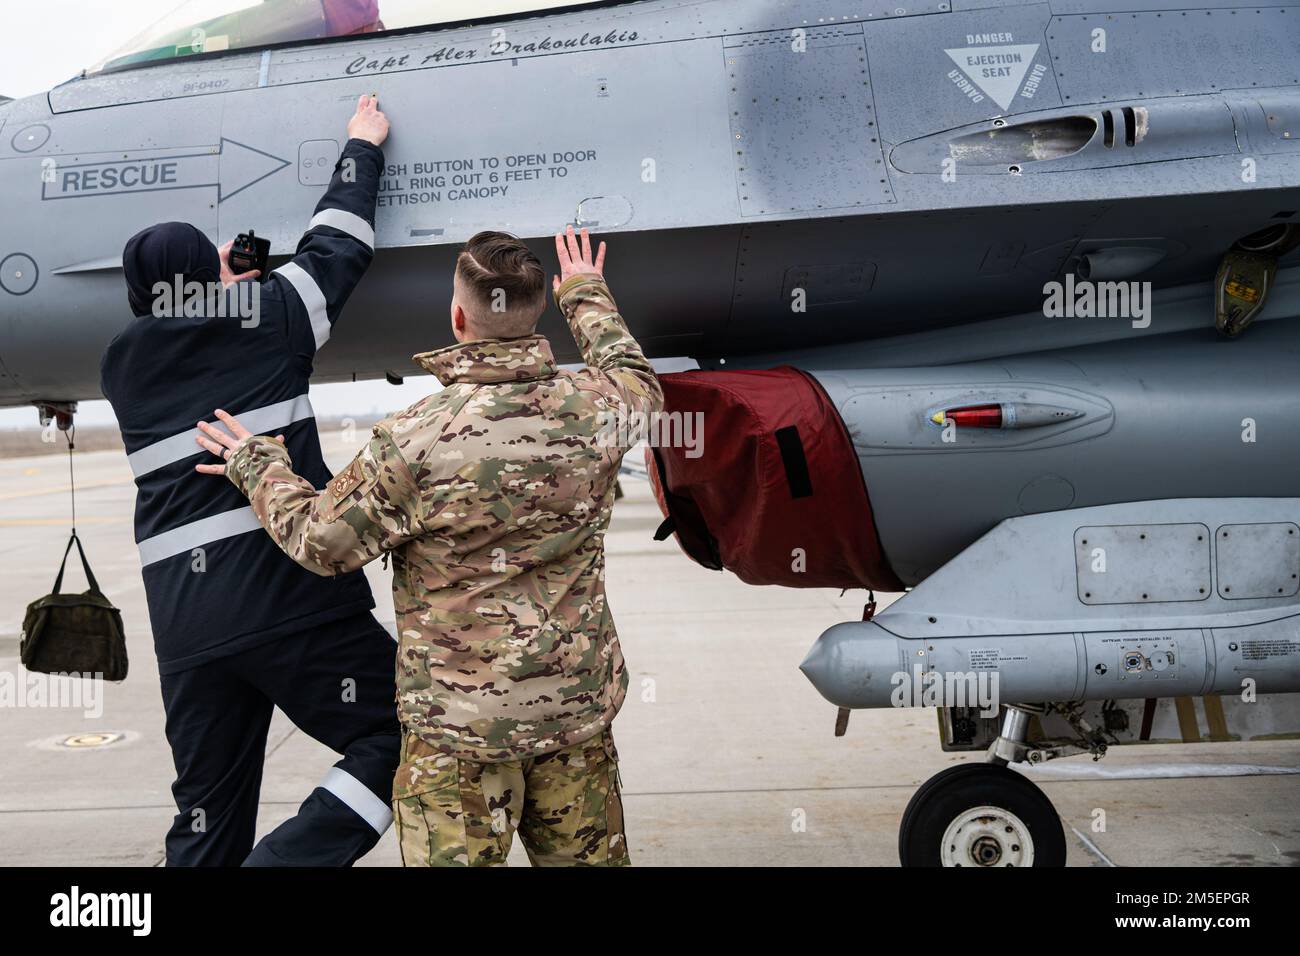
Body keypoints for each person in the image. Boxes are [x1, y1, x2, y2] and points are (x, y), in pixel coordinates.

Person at [194, 227, 663, 866]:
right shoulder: (602, 408)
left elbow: (318, 541)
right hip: (572, 720)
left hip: (458, 739)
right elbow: (637, 379)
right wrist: (585, 293)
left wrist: (257, 463)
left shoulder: (415, 440)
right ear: (536, 312)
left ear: (458, 316)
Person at [100, 96, 400, 866]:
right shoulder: (270, 315)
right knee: (399, 734)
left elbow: (186, 321)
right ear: (214, 276)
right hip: (292, 606)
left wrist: (224, 282)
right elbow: (339, 244)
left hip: (189, 631)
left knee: (206, 812)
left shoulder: (122, 367)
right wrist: (361, 147)